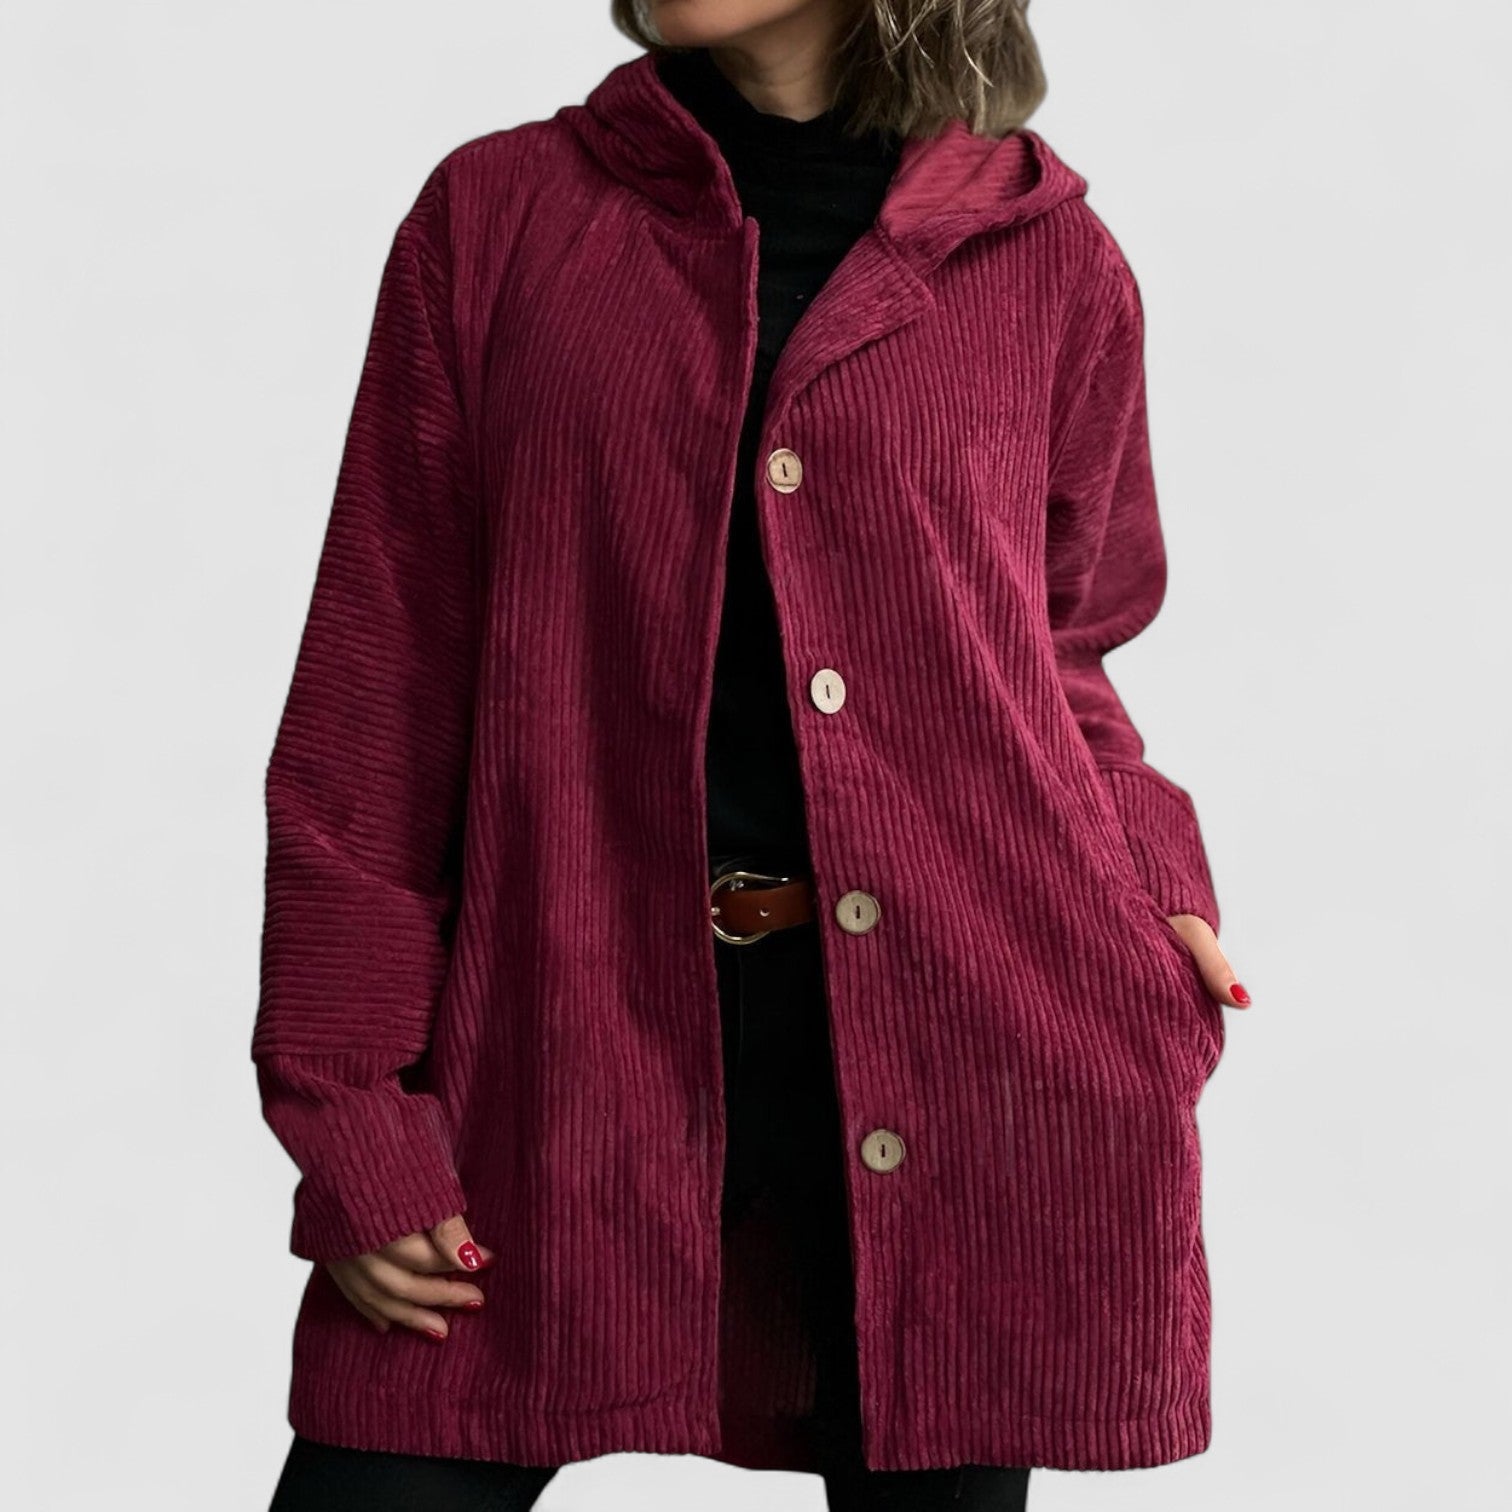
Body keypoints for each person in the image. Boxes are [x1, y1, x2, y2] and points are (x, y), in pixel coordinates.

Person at [256, 2, 1249, 1508]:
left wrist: (1156, 886)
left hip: (969, 1064)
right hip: (557, 1056)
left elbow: (1060, 649)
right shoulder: (500, 220)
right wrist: (344, 1101)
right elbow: (376, 693)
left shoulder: (1055, 263)